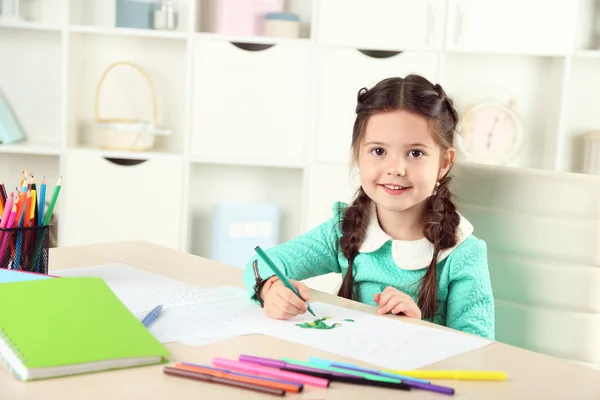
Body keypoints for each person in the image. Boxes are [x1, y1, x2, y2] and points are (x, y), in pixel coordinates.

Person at [243, 74, 495, 340]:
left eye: (416, 153)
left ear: (444, 163)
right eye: (378, 151)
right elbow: (261, 263)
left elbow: (478, 347)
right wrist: (269, 289)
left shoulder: (463, 253)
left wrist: (421, 331)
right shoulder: (345, 229)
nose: (395, 169)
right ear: (358, 155)